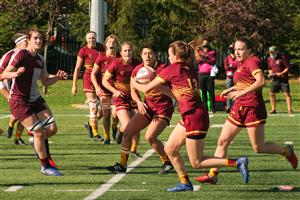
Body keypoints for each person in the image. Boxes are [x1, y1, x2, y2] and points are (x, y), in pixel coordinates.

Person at [133, 41, 249, 192]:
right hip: (192, 114)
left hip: (194, 116)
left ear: (176, 56)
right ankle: (185, 183)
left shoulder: (172, 68)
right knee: (170, 149)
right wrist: (159, 86)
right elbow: (176, 93)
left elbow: (146, 89)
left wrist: (134, 82)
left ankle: (237, 162)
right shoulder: (190, 69)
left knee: (197, 162)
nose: (168, 58)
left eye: (169, 55)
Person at [195, 37, 298, 185]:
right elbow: (245, 82)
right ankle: (213, 174)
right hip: (239, 107)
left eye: (241, 49)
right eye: (235, 49)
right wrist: (231, 89)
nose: (237, 52)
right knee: (222, 141)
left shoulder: (252, 61)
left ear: (249, 50)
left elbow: (261, 81)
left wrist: (240, 93)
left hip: (252, 108)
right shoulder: (242, 62)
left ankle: (286, 151)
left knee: (258, 147)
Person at [2, 28, 68, 176]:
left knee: (52, 129)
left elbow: (45, 81)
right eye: (36, 38)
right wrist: (15, 73)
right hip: (19, 100)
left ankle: (36, 141)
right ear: (29, 40)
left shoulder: (40, 59)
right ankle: (45, 166)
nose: (38, 41)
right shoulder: (21, 54)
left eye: (40, 39)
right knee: (38, 132)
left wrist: (57, 77)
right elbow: (3, 74)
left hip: (35, 99)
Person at [106, 42, 174, 174]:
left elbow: (172, 92)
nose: (147, 56)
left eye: (150, 53)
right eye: (144, 53)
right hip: (147, 106)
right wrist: (138, 102)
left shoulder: (164, 69)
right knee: (127, 132)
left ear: (156, 55)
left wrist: (155, 84)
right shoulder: (137, 70)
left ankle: (167, 162)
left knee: (150, 136)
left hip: (163, 108)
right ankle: (122, 164)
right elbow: (133, 89)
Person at [102, 41, 141, 154]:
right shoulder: (115, 64)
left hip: (134, 97)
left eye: (129, 50)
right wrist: (115, 91)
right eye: (125, 50)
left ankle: (134, 150)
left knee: (137, 124)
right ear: (121, 52)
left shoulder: (137, 64)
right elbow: (104, 81)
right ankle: (120, 129)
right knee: (128, 126)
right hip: (121, 99)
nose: (127, 52)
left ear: (133, 51)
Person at [72, 31, 105, 141]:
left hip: (101, 80)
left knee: (105, 109)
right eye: (90, 38)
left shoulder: (102, 48)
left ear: (96, 38)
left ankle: (90, 123)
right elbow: (77, 68)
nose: (92, 40)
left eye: (93, 38)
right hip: (88, 79)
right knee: (94, 106)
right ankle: (96, 134)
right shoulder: (83, 51)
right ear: (86, 40)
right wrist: (74, 85)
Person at [0, 33, 28, 145]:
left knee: (24, 111)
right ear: (19, 44)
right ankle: (15, 133)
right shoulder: (9, 55)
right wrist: (6, 92)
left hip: (22, 89)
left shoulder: (27, 55)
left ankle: (16, 136)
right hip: (8, 87)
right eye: (26, 42)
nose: (29, 44)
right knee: (21, 111)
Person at [91, 34, 119, 144]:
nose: (111, 44)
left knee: (116, 114)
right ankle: (107, 137)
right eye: (109, 42)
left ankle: (114, 126)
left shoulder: (120, 57)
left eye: (114, 42)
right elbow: (93, 74)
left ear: (117, 45)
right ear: (105, 45)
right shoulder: (101, 57)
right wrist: (97, 87)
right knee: (106, 115)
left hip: (117, 90)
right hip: (104, 90)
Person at [267, 46, 293, 114]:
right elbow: (269, 68)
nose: (271, 53)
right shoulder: (269, 59)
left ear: (276, 51)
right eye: (270, 52)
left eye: (272, 52)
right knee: (271, 94)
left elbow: (287, 68)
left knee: (286, 94)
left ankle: (289, 109)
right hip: (274, 79)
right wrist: (271, 74)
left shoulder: (282, 57)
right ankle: (273, 109)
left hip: (283, 79)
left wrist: (281, 73)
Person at [196, 38, 216, 113]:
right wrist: (204, 57)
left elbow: (212, 61)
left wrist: (204, 57)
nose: (205, 47)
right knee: (203, 92)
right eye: (204, 46)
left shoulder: (212, 52)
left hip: (209, 74)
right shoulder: (199, 52)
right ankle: (205, 108)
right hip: (201, 74)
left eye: (206, 45)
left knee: (211, 92)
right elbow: (198, 60)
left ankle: (213, 108)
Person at [223, 44, 238, 113]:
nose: (231, 49)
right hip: (229, 77)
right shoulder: (227, 58)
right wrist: (232, 66)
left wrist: (231, 66)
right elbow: (226, 67)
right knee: (228, 91)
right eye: (230, 48)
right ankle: (228, 106)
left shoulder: (238, 57)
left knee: (236, 91)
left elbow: (238, 66)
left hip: (236, 77)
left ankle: (234, 106)